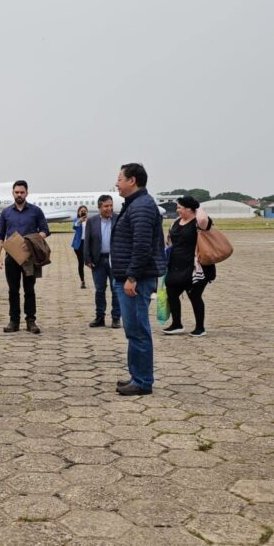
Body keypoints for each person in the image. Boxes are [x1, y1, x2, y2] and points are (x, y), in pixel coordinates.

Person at [111, 163, 166, 396]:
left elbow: (142, 246)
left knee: (138, 330)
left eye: (120, 179)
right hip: (129, 277)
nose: (117, 183)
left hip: (135, 280)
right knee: (132, 330)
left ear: (132, 180)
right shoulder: (136, 204)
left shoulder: (142, 206)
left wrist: (132, 276)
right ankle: (137, 376)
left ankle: (143, 381)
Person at [0, 180, 50, 334]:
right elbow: (0, 235)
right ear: (13, 193)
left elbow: (45, 230)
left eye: (22, 192)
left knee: (29, 289)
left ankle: (31, 321)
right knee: (13, 290)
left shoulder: (36, 211)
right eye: (17, 192)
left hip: (29, 258)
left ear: (27, 193)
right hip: (11, 257)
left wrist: (32, 241)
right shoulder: (6, 212)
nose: (19, 195)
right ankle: (14, 321)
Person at [163, 196, 214, 337]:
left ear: (189, 209)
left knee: (194, 295)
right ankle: (176, 324)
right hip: (176, 265)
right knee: (171, 292)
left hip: (195, 267)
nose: (177, 210)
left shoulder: (199, 223)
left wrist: (197, 207)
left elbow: (203, 219)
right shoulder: (176, 222)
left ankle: (200, 327)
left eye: (180, 207)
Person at [84, 195, 121, 328]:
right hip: (98, 261)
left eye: (111, 205)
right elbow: (87, 241)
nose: (109, 208)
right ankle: (100, 317)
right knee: (99, 290)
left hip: (115, 261)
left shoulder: (119, 219)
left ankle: (116, 318)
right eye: (106, 206)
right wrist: (87, 258)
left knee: (116, 290)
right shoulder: (92, 221)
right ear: (99, 207)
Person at [71, 205, 88, 289]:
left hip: (88, 244)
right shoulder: (76, 220)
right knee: (81, 263)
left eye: (84, 211)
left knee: (92, 262)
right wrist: (80, 221)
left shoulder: (90, 221)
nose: (83, 212)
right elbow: (74, 226)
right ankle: (82, 281)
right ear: (78, 212)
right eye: (81, 211)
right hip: (79, 244)